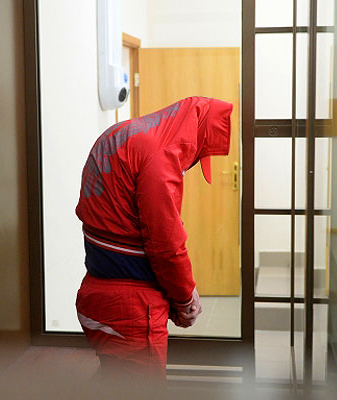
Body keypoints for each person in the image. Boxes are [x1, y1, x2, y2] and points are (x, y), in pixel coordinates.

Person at [74, 96, 233, 382]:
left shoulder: (122, 133)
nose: (192, 163)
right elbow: (166, 245)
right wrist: (185, 299)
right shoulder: (160, 156)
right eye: (198, 155)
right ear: (195, 136)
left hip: (96, 293)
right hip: (131, 308)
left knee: (113, 380)